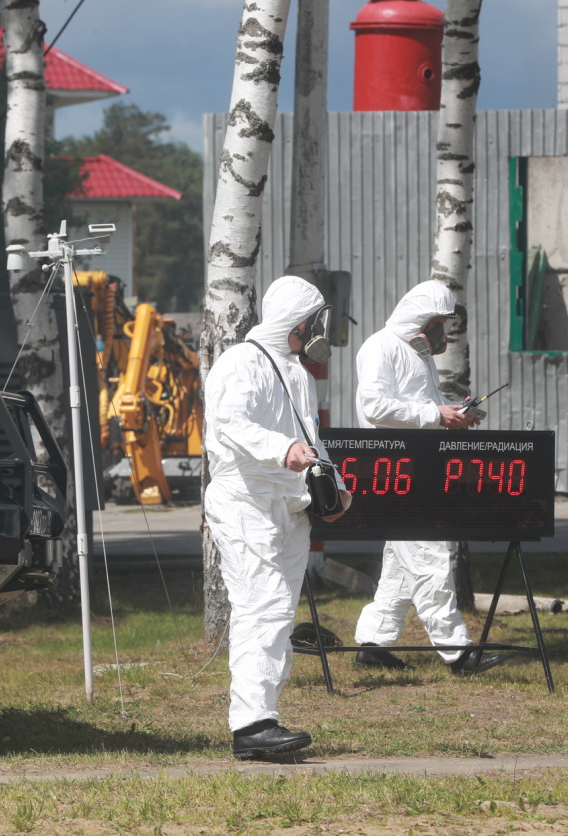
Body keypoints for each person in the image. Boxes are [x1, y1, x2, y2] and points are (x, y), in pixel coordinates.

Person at [203, 276, 352, 760]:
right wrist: (280, 448)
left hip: (290, 503)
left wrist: (334, 485)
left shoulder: (298, 373)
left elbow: (310, 439)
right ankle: (251, 725)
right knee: (260, 604)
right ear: (298, 322)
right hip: (245, 500)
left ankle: (264, 718)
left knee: (279, 612)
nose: (319, 329)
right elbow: (231, 423)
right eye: (315, 320)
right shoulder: (240, 362)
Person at [351, 280, 505, 676]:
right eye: (437, 324)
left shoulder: (418, 356)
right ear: (416, 319)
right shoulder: (380, 347)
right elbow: (374, 407)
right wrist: (438, 414)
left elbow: (419, 407)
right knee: (430, 557)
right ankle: (459, 654)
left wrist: (452, 413)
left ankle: (373, 645)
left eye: (444, 325)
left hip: (414, 467)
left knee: (401, 564)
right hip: (394, 470)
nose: (442, 333)